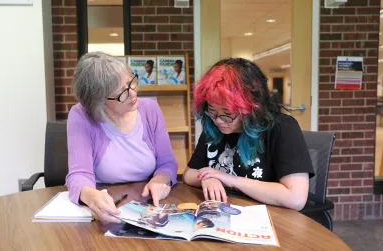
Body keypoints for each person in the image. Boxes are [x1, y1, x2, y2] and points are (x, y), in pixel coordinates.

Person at [182, 58, 314, 211]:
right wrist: (209, 178)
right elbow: (189, 174)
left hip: (272, 218)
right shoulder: (213, 127)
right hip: (227, 213)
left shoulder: (282, 127)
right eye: (212, 112)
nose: (219, 121)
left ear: (251, 108)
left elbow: (295, 198)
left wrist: (231, 180)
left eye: (227, 114)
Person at [66, 52, 178, 224]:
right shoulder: (81, 115)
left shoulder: (150, 109)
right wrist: (90, 195)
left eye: (131, 83)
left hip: (147, 206)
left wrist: (160, 180)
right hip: (110, 207)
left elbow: (167, 163)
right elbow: (79, 174)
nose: (133, 93)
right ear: (99, 101)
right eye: (122, 93)